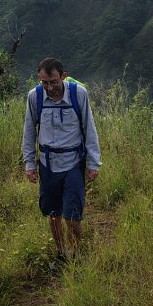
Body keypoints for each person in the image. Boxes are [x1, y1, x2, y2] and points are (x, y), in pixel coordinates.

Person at [22, 57, 101, 263]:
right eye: (44, 83)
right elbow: (29, 131)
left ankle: (75, 255)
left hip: (73, 162)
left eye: (53, 82)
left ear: (63, 76)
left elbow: (89, 129)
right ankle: (61, 253)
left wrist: (93, 163)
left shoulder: (78, 94)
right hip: (48, 164)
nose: (49, 88)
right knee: (54, 213)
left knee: (73, 216)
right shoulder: (35, 97)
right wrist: (29, 163)